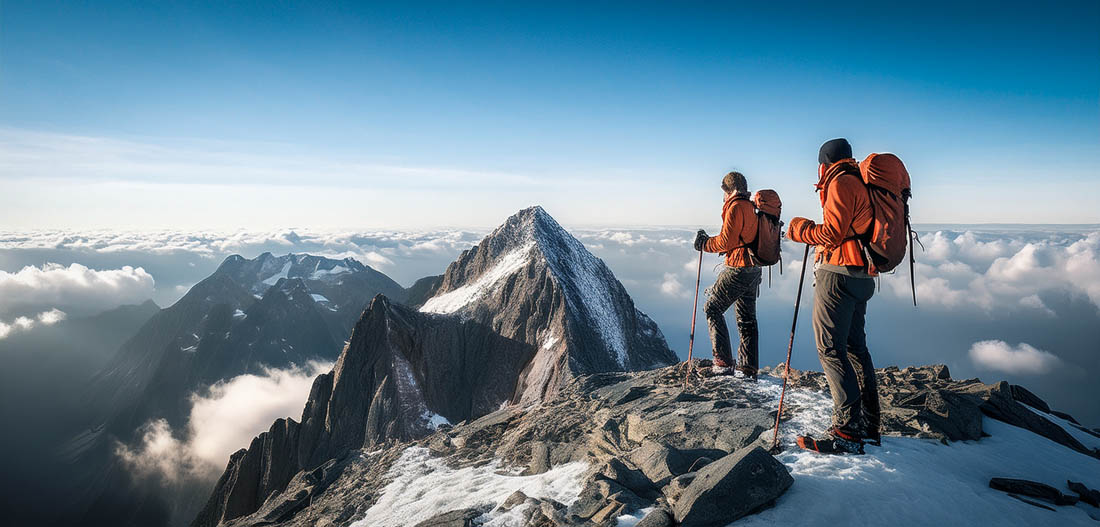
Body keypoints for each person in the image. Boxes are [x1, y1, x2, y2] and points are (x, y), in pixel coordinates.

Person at [786, 138, 882, 450]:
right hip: (862, 275)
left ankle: (847, 430)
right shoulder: (861, 182)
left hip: (838, 275)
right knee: (856, 349)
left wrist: (799, 229)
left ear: (823, 164)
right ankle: (869, 424)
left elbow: (831, 234)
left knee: (830, 349)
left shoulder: (840, 183)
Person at [693, 171, 761, 379]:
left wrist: (704, 243)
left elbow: (726, 242)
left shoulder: (735, 207)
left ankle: (722, 363)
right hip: (754, 268)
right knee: (747, 318)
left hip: (738, 267)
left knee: (712, 308)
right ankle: (748, 367)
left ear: (727, 190)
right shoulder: (751, 206)